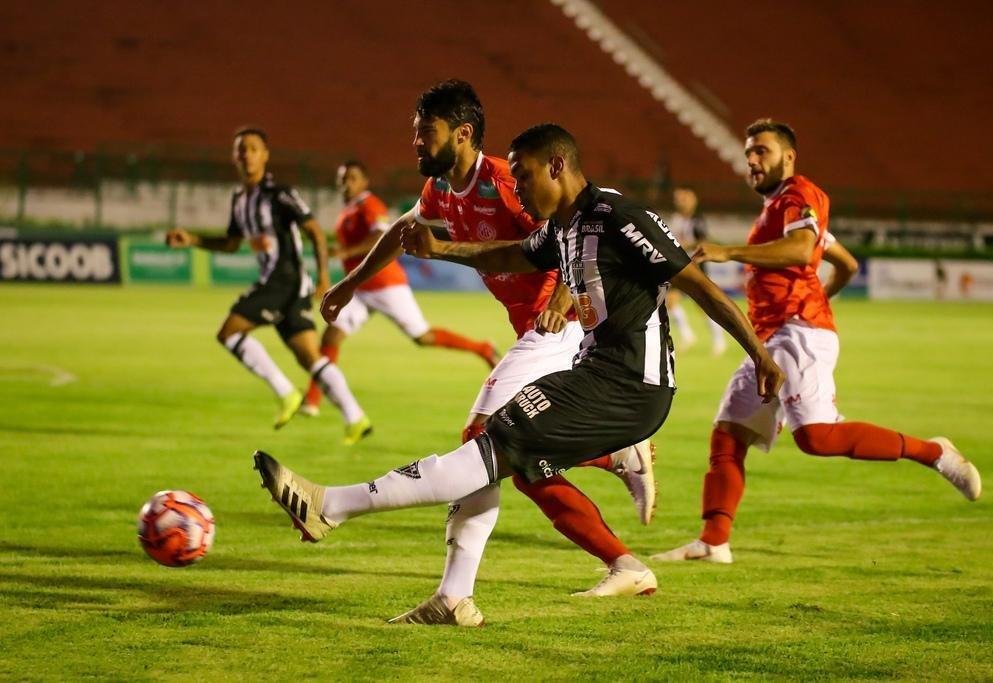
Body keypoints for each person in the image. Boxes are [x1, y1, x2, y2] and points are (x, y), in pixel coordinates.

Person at [254, 122, 785, 624]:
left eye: (525, 174)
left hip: (631, 386)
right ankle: (456, 595)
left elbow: (703, 289)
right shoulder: (564, 227)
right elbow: (507, 253)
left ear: (557, 166)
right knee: (513, 460)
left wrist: (760, 356)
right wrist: (441, 249)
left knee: (493, 443)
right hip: (592, 375)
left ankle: (334, 506)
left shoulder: (620, 217)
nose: (520, 188)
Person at [317, 82, 660, 621]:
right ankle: (620, 545)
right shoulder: (439, 190)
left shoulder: (505, 181)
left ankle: (452, 593)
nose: (415, 141)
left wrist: (562, 299)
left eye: (424, 131)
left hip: (559, 328)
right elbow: (403, 230)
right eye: (414, 131)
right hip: (532, 330)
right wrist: (350, 285)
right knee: (525, 466)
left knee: (481, 440)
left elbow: (567, 233)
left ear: (462, 134)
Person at [652, 119, 982, 565]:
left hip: (796, 334)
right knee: (729, 433)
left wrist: (733, 254)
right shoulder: (780, 209)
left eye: (762, 151)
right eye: (749, 152)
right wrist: (818, 298)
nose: (752, 160)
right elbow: (843, 264)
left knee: (817, 437)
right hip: (772, 336)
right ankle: (713, 541)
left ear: (788, 157)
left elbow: (802, 251)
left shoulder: (800, 195)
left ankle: (935, 453)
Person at [166, 127, 369, 443]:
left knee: (229, 332)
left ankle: (287, 392)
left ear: (265, 155)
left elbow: (315, 231)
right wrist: (191, 239)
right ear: (235, 157)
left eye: (253, 148)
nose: (247, 154)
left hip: (283, 281)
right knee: (309, 357)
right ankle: (356, 417)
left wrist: (324, 277)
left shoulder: (278, 193)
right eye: (241, 149)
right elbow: (232, 244)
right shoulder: (239, 199)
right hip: (285, 287)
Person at [299, 159, 499, 420]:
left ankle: (483, 348)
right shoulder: (347, 210)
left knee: (422, 337)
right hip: (360, 290)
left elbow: (380, 236)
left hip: (385, 285)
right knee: (331, 337)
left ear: (364, 182)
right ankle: (312, 400)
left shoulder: (370, 205)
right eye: (342, 179)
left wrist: (346, 252)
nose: (346, 184)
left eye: (352, 178)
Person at [665, 187, 726, 356]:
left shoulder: (697, 220)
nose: (680, 202)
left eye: (684, 199)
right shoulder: (676, 219)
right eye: (678, 199)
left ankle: (719, 340)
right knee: (670, 301)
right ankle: (688, 335)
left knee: (703, 306)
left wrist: (686, 245)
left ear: (693, 202)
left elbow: (703, 241)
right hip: (679, 265)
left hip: (696, 265)